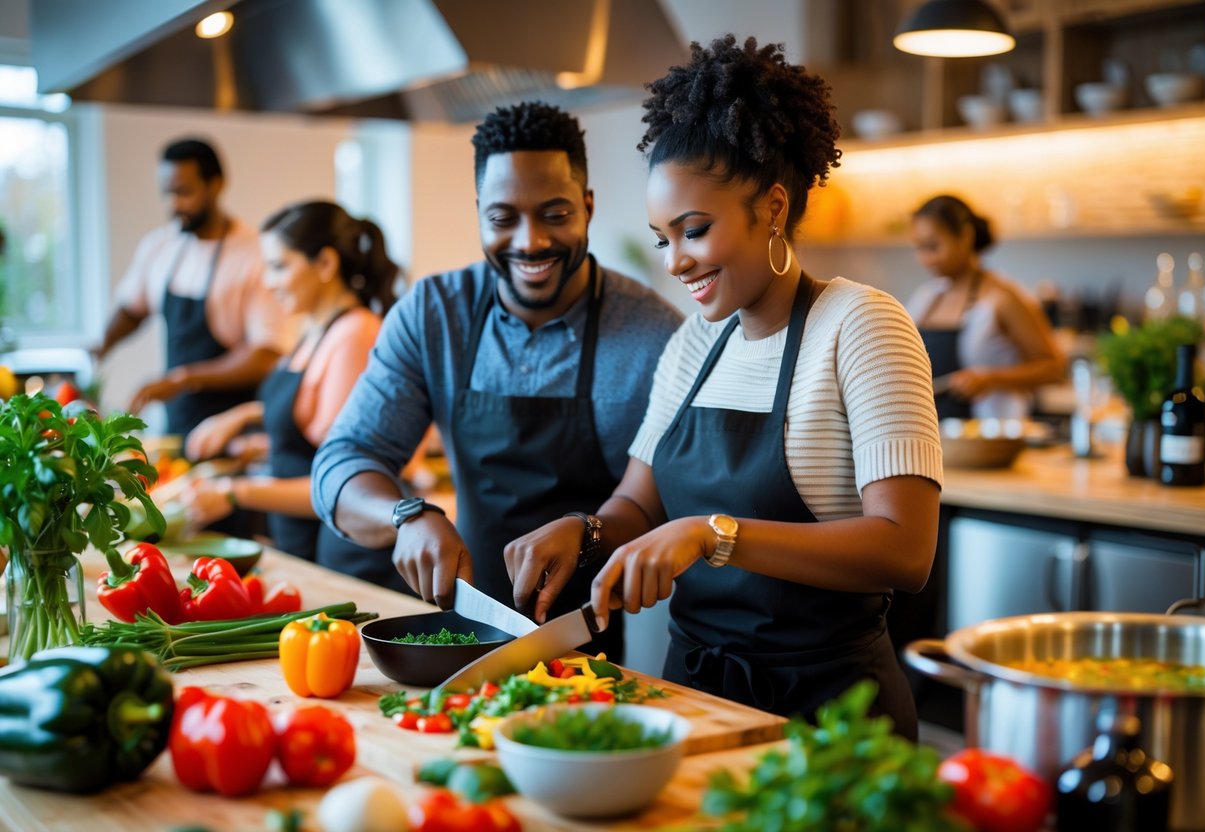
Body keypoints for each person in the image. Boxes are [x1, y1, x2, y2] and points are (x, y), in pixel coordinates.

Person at [505, 37, 942, 738]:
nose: (675, 262)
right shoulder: (693, 342)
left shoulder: (860, 324)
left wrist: (713, 534)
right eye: (661, 239)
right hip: (698, 706)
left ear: (771, 209)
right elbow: (637, 502)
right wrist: (585, 530)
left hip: (832, 716)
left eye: (694, 231)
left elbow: (904, 550)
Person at [311, 101, 683, 660]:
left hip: (589, 649)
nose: (530, 242)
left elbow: (671, 501)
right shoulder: (434, 314)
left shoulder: (654, 333)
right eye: (503, 217)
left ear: (587, 207)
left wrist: (591, 532)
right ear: (479, 212)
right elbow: (341, 462)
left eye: (554, 214)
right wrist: (405, 516)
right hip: (462, 633)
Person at [178, 201, 409, 588]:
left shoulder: (354, 335)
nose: (268, 282)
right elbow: (310, 436)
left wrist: (233, 493)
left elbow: (338, 481)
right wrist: (249, 424)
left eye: (279, 266)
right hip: (300, 547)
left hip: (342, 558)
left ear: (325, 265)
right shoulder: (314, 331)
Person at [94, 138, 293, 437]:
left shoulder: (254, 254)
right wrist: (100, 346)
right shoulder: (160, 246)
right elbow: (132, 310)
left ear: (216, 184)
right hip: (179, 422)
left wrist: (184, 378)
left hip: (234, 429)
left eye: (184, 192)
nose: (174, 204)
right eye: (167, 194)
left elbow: (266, 355)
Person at [907, 194, 1066, 421]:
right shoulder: (924, 298)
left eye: (933, 246)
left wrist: (990, 379)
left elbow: (1054, 368)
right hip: (932, 437)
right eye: (920, 248)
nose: (927, 259)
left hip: (990, 438)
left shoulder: (1002, 297)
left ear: (966, 236)